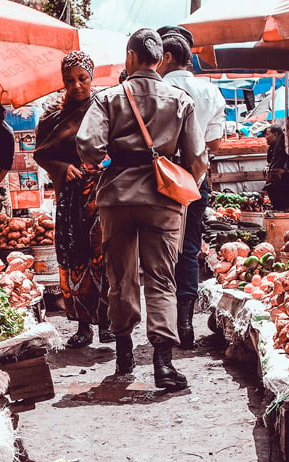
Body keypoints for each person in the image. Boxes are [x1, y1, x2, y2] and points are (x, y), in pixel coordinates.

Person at [76, 28, 203, 391]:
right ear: (160, 59)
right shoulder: (179, 100)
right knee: (161, 280)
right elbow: (197, 159)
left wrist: (105, 163)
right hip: (162, 200)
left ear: (130, 57)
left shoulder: (109, 98)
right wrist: (176, 182)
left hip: (116, 198)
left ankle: (124, 355)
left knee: (122, 278)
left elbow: (87, 144)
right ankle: (163, 366)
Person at [35, 51, 111, 349]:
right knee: (74, 255)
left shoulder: (105, 106)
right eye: (70, 80)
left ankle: (107, 322)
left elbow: (118, 145)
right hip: (69, 198)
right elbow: (41, 152)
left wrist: (102, 166)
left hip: (101, 195)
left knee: (103, 257)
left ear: (91, 77)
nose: (77, 85)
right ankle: (82, 324)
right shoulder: (53, 113)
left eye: (82, 78)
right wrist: (61, 167)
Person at [157, 29, 226, 349]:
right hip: (197, 179)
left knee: (157, 250)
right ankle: (185, 323)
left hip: (159, 179)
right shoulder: (210, 91)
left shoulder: (157, 89)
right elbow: (215, 143)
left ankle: (165, 322)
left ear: (167, 57)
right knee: (188, 248)